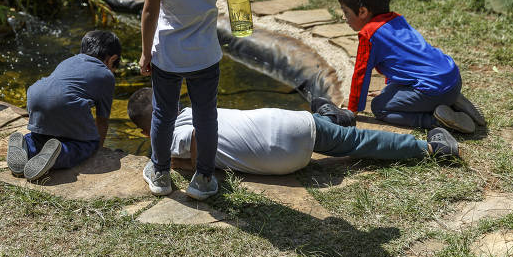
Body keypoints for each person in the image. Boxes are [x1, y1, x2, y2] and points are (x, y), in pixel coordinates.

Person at [138, 0, 270, 200]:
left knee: (163, 115)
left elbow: (150, 13)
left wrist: (145, 53)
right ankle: (204, 179)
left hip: (167, 55)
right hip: (205, 56)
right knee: (205, 117)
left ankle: (160, 173)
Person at [126, 88, 460, 177]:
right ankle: (428, 150)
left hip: (280, 164)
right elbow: (194, 138)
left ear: (144, 129)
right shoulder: (184, 117)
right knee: (355, 140)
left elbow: (192, 147)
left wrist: (176, 165)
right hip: (292, 130)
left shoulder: (167, 139)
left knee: (338, 133)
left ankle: (332, 116)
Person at [337, 0, 484, 134]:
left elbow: (361, 75)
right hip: (453, 78)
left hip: (434, 91)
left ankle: (436, 120)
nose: (344, 18)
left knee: (379, 107)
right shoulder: (396, 19)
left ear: (363, 12)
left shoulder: (369, 35)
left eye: (346, 12)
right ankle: (453, 99)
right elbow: (398, 60)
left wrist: (351, 111)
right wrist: (390, 90)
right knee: (392, 93)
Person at [7, 30, 121, 181]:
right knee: (88, 144)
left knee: (43, 137)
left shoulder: (69, 60)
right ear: (112, 59)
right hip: (65, 102)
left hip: (36, 95)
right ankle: (60, 154)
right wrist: (96, 148)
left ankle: (28, 145)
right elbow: (102, 120)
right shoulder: (106, 75)